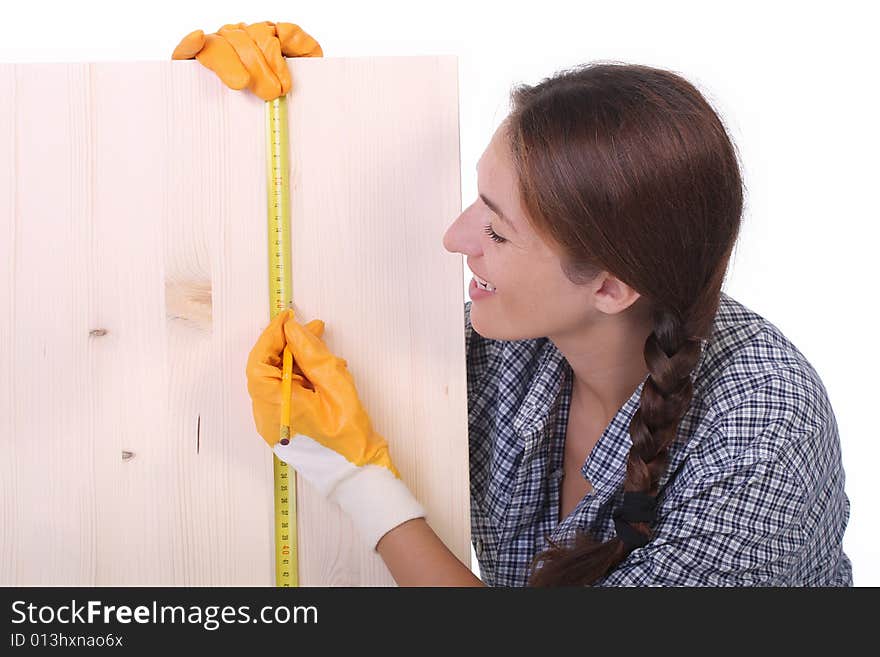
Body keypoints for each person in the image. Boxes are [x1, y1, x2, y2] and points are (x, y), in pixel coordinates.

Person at [175, 22, 853, 586]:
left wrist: (357, 479)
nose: (454, 237)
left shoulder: (762, 431)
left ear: (611, 288)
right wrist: (286, 120)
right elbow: (330, 316)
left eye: (497, 230)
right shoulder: (508, 342)